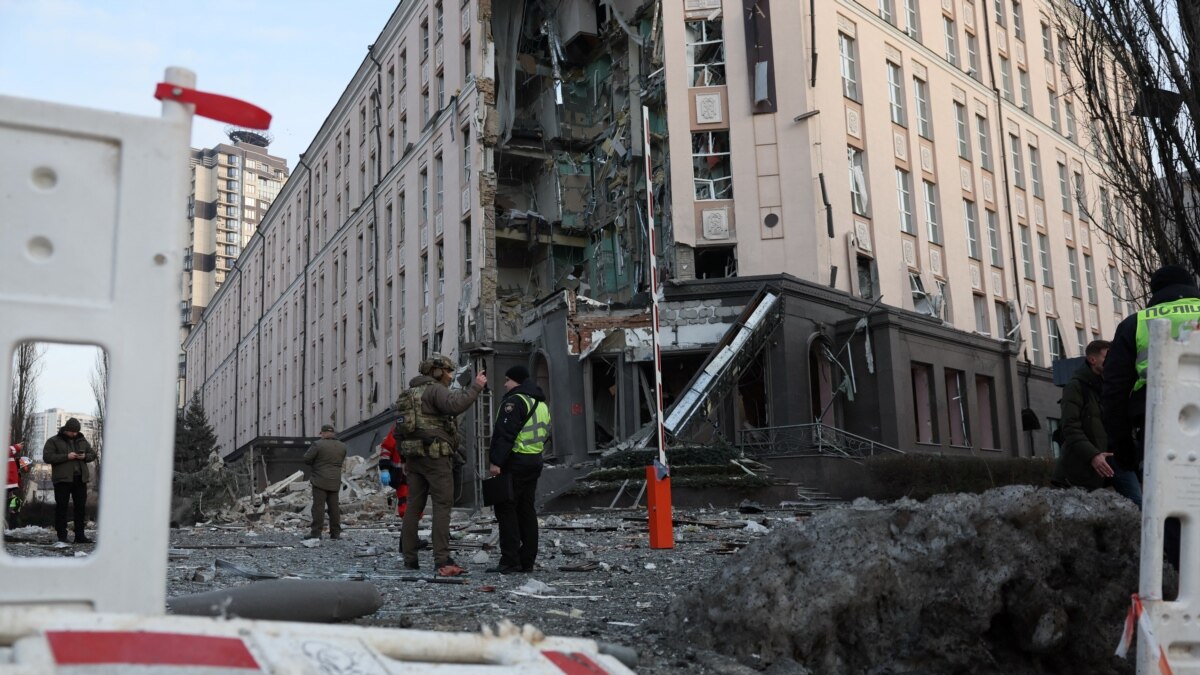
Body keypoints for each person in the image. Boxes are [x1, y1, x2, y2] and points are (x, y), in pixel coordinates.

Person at [1102, 264, 1200, 567]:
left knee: (1171, 509)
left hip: (1161, 428)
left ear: (1155, 293)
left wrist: (1124, 451)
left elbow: (1114, 392)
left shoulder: (1137, 324)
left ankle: (1188, 596)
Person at [400, 353, 486, 577]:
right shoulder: (435, 389)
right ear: (436, 372)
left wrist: (404, 460)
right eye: (448, 371)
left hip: (414, 457)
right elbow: (454, 406)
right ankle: (441, 558)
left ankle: (409, 558)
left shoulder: (409, 393)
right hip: (435, 457)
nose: (450, 376)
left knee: (413, 507)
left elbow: (400, 429)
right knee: (442, 505)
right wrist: (476, 387)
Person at [1051, 340, 1141, 506]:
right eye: (1106, 356)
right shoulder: (1076, 386)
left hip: (1118, 457)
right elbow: (1070, 427)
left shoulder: (1116, 385)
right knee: (1084, 514)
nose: (1111, 360)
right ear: (1092, 360)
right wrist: (1093, 455)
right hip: (1086, 463)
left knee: (1140, 507)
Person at [487, 365, 551, 575]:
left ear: (516, 381)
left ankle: (510, 560)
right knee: (526, 510)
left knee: (507, 510)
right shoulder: (540, 402)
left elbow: (506, 434)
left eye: (507, 380)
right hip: (534, 461)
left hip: (515, 462)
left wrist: (496, 462)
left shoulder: (515, 401)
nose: (505, 384)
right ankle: (527, 561)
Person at [42, 418, 97, 545]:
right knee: (62, 508)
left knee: (80, 508)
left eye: (76, 431)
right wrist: (66, 457)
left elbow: (93, 454)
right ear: (66, 429)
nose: (74, 434)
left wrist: (85, 457)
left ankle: (80, 536)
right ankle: (62, 536)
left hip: (80, 479)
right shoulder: (53, 441)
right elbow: (47, 457)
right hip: (62, 480)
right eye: (72, 431)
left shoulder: (82, 440)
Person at [303, 424, 348, 541]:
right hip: (335, 480)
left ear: (323, 433)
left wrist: (315, 464)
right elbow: (340, 461)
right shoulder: (342, 446)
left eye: (321, 433)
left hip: (319, 479)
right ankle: (335, 533)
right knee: (334, 507)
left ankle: (316, 532)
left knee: (318, 507)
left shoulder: (318, 444)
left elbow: (306, 459)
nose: (321, 435)